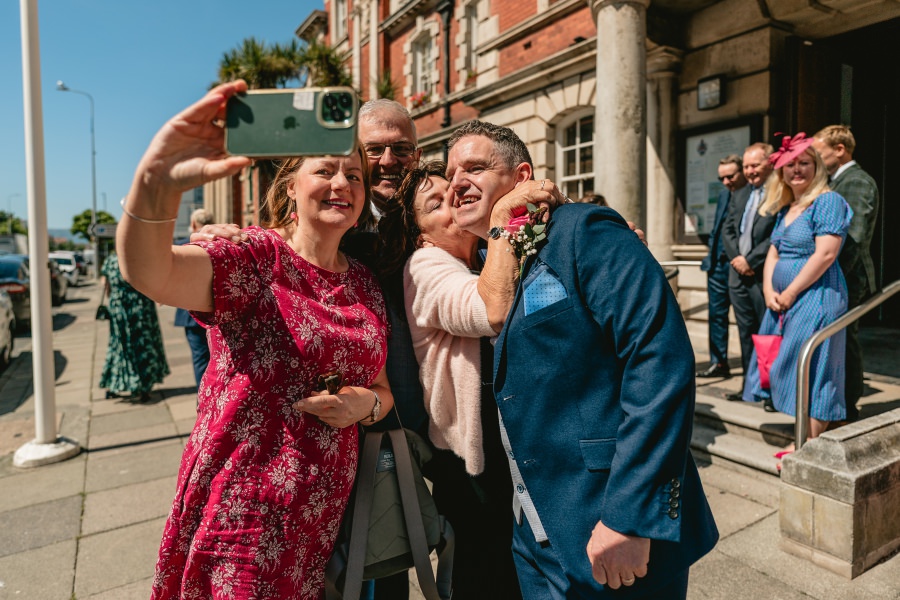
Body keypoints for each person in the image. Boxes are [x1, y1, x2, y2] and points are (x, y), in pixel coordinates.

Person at [115, 80, 395, 599]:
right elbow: (149, 271)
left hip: (320, 525)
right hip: (244, 516)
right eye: (325, 170)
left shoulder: (363, 282)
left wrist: (364, 405)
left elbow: (381, 388)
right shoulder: (256, 257)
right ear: (291, 186)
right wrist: (157, 178)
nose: (342, 183)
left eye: (353, 175)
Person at [445, 120, 718, 598]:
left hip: (611, 525)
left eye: (474, 167)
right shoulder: (484, 268)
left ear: (521, 177)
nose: (457, 182)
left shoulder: (582, 230)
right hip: (534, 534)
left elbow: (659, 358)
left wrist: (629, 516)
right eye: (451, 174)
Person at [381, 160, 559, 599]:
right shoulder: (424, 265)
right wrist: (501, 221)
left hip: (511, 445)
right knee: (481, 572)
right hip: (468, 460)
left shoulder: (483, 256)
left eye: (452, 192)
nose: (452, 203)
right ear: (420, 231)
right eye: (434, 204)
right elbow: (490, 311)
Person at [742, 133, 852, 453]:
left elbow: (826, 255)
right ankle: (804, 435)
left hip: (816, 295)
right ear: (781, 173)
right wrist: (767, 289)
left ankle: (806, 443)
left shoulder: (827, 201)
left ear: (817, 167)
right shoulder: (787, 208)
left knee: (814, 365)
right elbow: (773, 254)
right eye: (790, 165)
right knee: (786, 363)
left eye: (805, 163)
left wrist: (789, 291)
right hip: (782, 301)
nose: (797, 170)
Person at [812, 126, 880, 422]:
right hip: (834, 277)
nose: (814, 157)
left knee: (845, 342)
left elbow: (853, 239)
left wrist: (828, 279)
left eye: (819, 150)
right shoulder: (834, 182)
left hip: (846, 278)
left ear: (840, 149)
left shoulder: (856, 182)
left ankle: (847, 411)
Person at [721, 142, 777, 408]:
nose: (750, 171)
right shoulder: (740, 194)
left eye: (755, 165)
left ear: (770, 163)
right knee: (745, 334)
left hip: (762, 275)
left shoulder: (780, 193)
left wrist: (751, 260)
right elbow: (728, 230)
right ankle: (749, 385)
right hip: (738, 276)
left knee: (768, 335)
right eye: (746, 166)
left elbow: (777, 235)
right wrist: (737, 260)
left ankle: (772, 392)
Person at [697, 154, 747, 379]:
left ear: (743, 171)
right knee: (716, 316)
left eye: (731, 176)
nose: (726, 182)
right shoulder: (724, 195)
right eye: (722, 178)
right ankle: (718, 364)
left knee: (745, 319)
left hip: (740, 267)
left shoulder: (754, 195)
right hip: (716, 266)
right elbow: (718, 229)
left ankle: (751, 370)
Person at [98, 250, 170, 402]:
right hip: (141, 309)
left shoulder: (110, 260)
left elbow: (105, 284)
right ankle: (143, 386)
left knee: (120, 346)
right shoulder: (139, 258)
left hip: (119, 309)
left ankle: (115, 384)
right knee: (143, 346)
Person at [174, 208, 215, 387]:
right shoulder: (220, 244)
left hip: (190, 314)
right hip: (217, 311)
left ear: (192, 224)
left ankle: (202, 398)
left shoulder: (182, 246)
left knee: (200, 359)